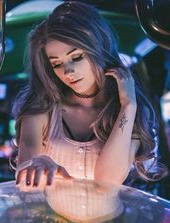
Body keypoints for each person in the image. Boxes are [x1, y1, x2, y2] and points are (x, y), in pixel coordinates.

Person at [12, 1, 167, 189]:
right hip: (51, 218)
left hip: (113, 219)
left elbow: (107, 180)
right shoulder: (41, 107)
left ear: (98, 48)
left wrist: (128, 106)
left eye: (76, 57)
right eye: (57, 64)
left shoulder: (132, 110)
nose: (68, 72)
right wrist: (38, 162)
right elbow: (25, 171)